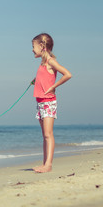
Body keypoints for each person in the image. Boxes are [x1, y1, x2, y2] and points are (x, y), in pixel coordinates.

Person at [31, 33, 72, 173]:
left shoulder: (51, 61)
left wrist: (54, 87)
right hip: (40, 102)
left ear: (42, 46)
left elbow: (67, 74)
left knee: (49, 134)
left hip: (49, 102)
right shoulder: (42, 63)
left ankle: (48, 165)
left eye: (33, 46)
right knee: (45, 136)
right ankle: (44, 164)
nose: (32, 49)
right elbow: (44, 78)